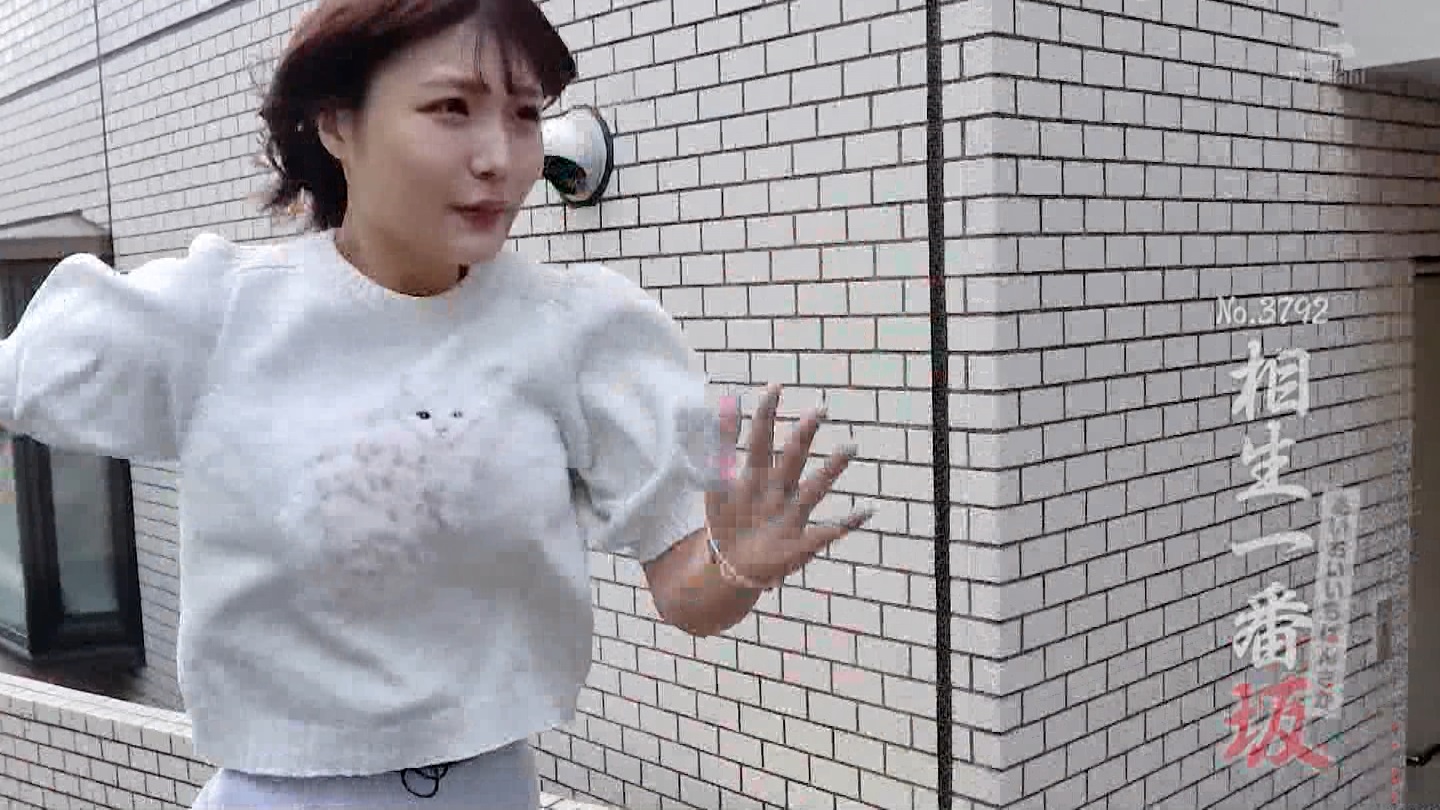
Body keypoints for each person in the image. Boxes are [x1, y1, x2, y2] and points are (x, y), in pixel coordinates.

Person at [0, 0, 873, 807]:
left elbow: (688, 596)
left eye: (524, 115)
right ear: (337, 123)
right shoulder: (217, 314)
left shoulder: (581, 333)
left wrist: (736, 563)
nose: (499, 157)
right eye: (452, 108)